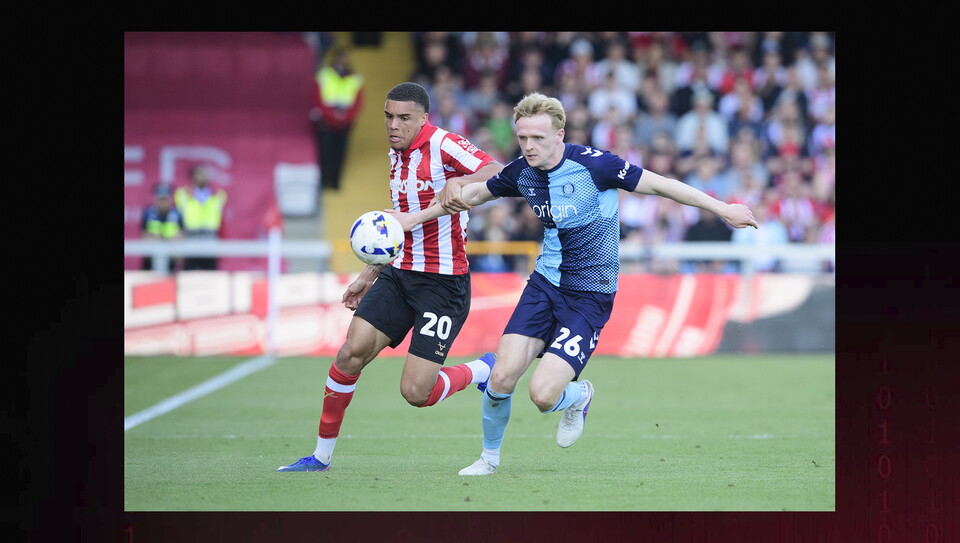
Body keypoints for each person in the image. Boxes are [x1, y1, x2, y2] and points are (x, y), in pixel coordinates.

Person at [389, 92, 757, 475]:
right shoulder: (522, 172)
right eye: (523, 138)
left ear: (560, 134)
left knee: (543, 396)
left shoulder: (595, 166)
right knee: (501, 376)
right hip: (544, 286)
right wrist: (412, 220)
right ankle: (488, 459)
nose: (529, 147)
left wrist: (722, 209)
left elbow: (663, 186)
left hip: (590, 295)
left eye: (538, 138)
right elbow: (474, 195)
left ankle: (580, 395)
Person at [277, 81, 505, 472]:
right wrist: (369, 274)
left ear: (423, 119)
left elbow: (497, 171)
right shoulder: (396, 155)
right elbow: (400, 227)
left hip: (443, 285)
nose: (393, 125)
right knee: (350, 354)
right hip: (399, 275)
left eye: (403, 118)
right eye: (388, 116)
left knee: (416, 393)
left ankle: (482, 369)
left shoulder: (443, 145)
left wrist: (459, 182)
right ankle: (320, 456)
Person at [312, 46, 364, 191]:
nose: (343, 61)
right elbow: (317, 99)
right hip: (326, 123)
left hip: (344, 124)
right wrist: (332, 116)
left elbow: (358, 103)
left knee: (340, 154)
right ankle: (323, 182)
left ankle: (335, 182)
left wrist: (345, 118)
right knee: (325, 153)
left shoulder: (355, 78)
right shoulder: (323, 75)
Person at [174, 164, 227, 271]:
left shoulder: (217, 195)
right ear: (192, 177)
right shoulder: (183, 195)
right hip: (191, 240)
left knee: (211, 276)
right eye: (199, 174)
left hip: (210, 240)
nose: (203, 176)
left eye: (205, 174)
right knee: (189, 275)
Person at [140, 183, 184, 272]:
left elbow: (182, 233)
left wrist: (170, 240)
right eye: (160, 199)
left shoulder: (177, 214)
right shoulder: (148, 213)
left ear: (170, 199)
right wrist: (155, 238)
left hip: (170, 256)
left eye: (165, 199)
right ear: (155, 198)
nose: (163, 202)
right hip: (151, 256)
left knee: (169, 282)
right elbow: (143, 233)